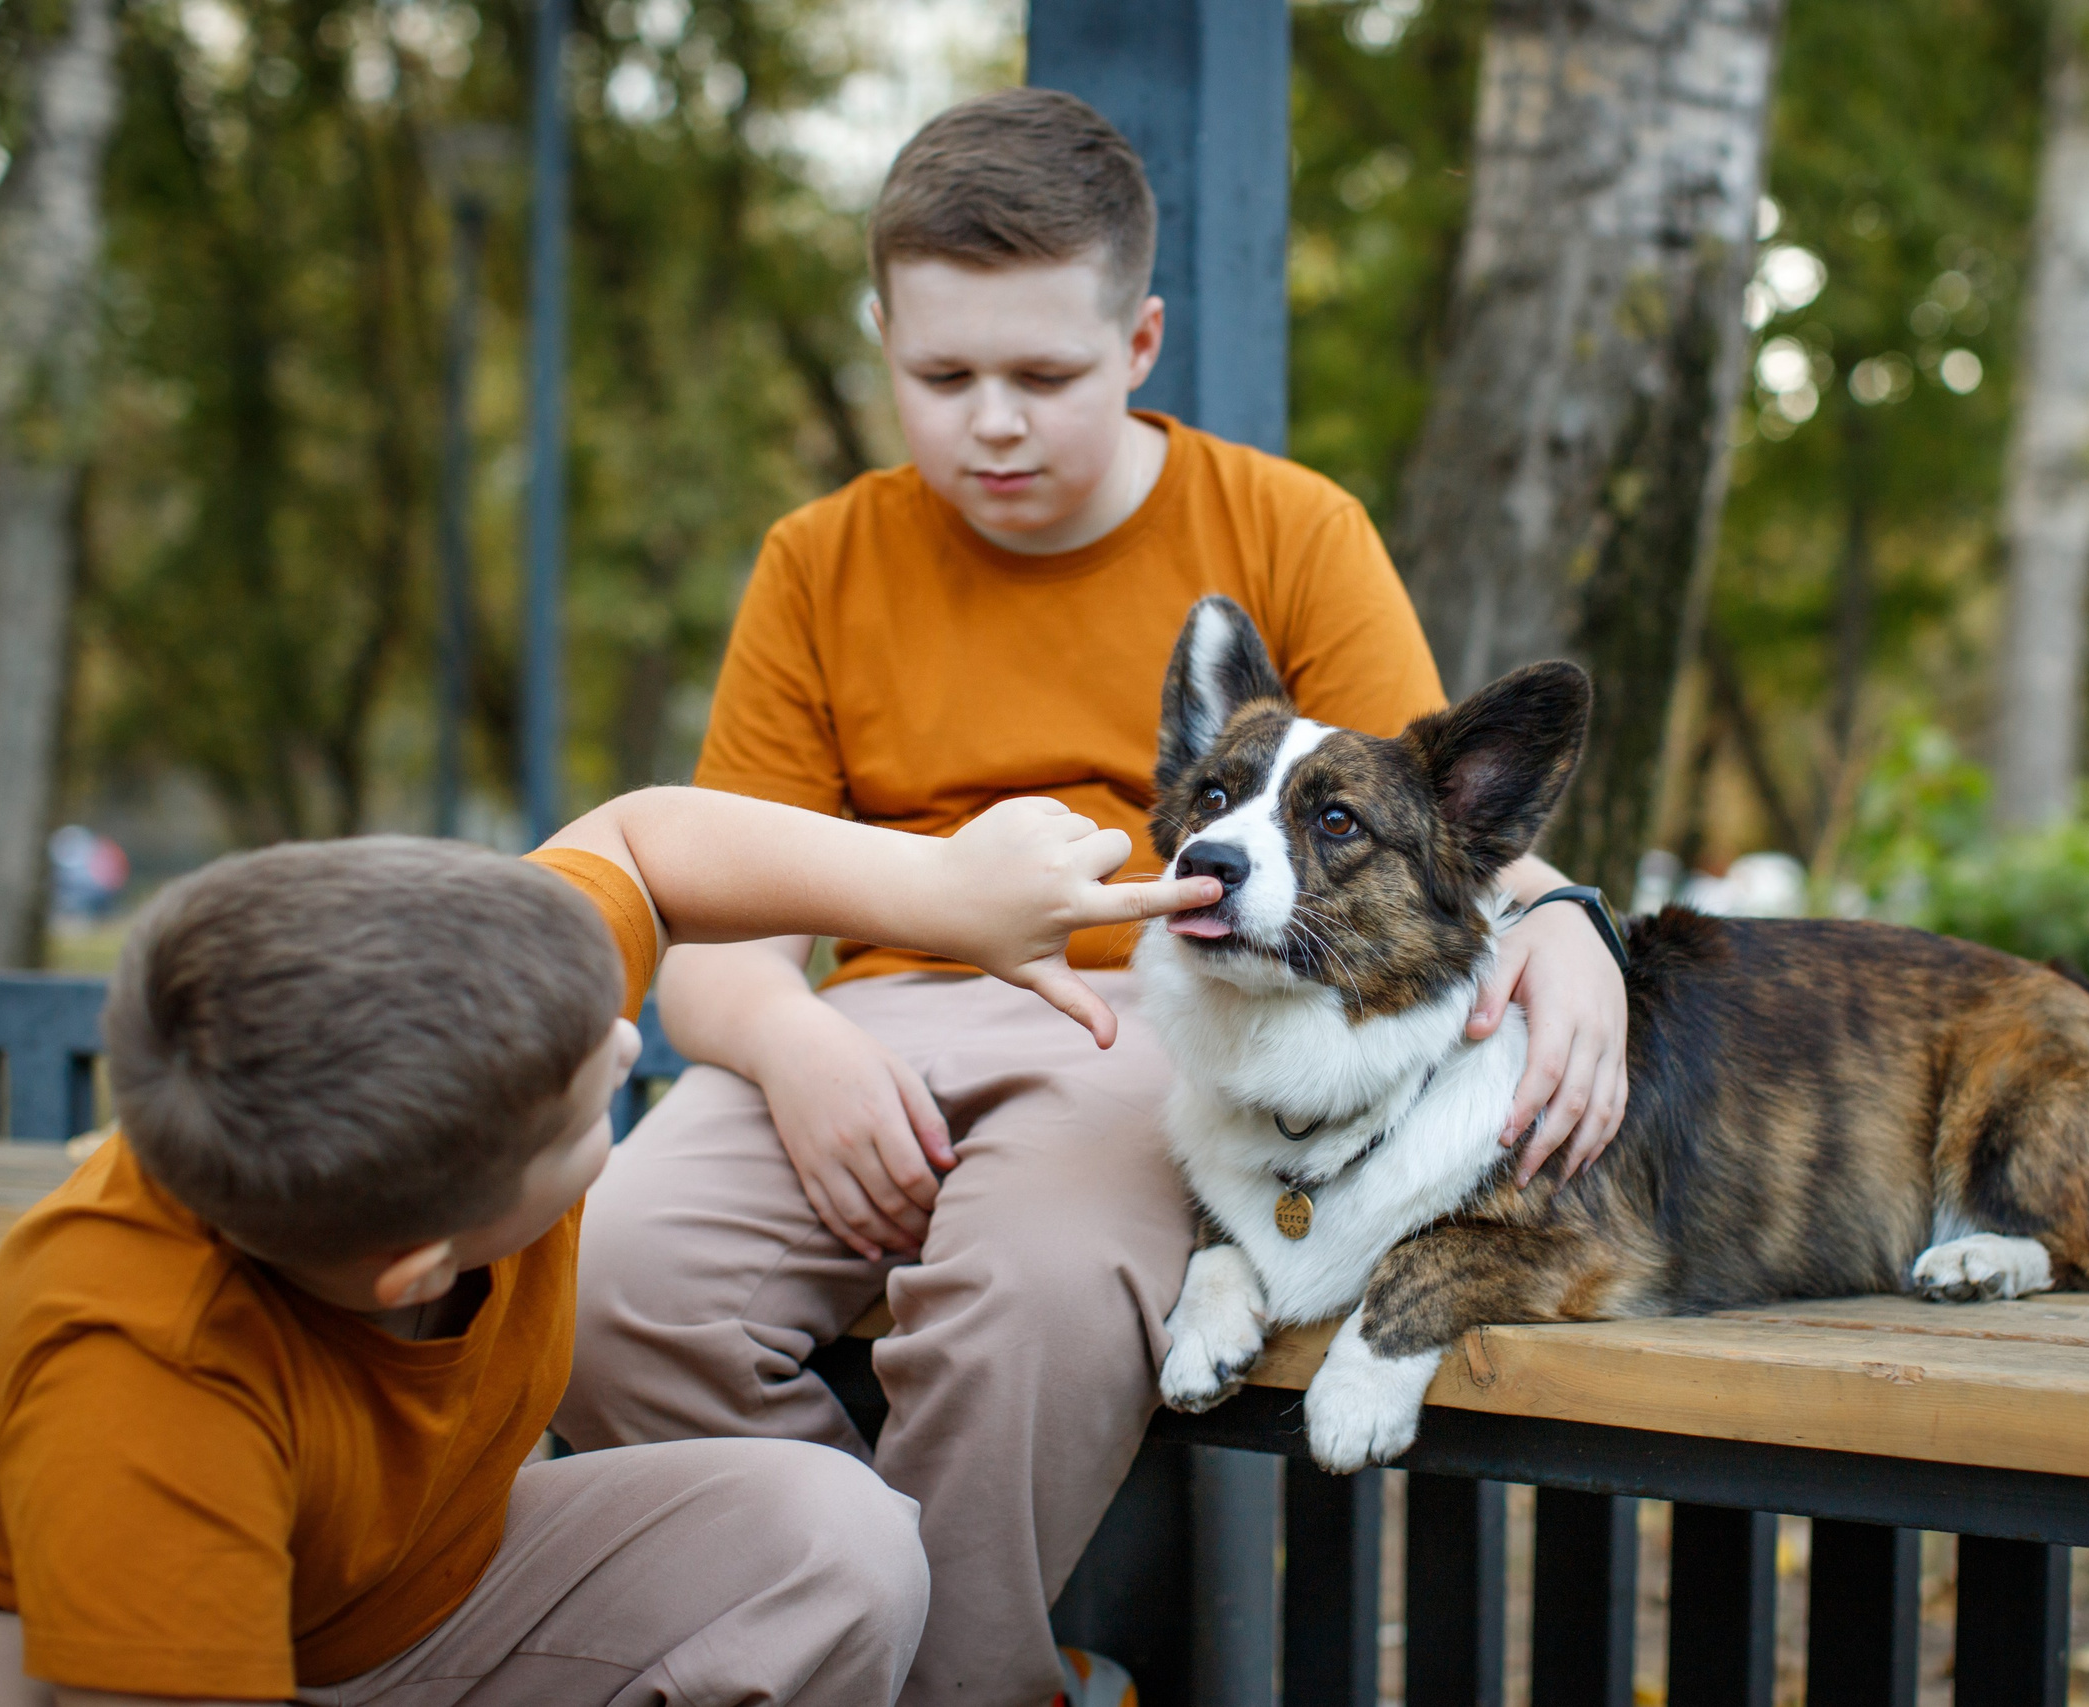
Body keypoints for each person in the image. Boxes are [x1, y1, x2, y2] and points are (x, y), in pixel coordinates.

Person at [556, 87, 1631, 1707]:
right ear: (883, 339)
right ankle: (873, 1628)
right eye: (941, 376)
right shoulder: (818, 563)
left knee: (1034, 1302)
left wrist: (1572, 927)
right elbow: (711, 943)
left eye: (1043, 377)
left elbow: (1423, 831)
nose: (992, 421)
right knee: (610, 1280)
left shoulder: (1286, 527)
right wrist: (793, 1046)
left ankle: (954, 1683)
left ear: (1138, 343)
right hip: (863, 1023)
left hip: (1160, 1012)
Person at [0, 786, 1215, 1707]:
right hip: (124, 1641)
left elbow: (637, 844)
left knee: (837, 1545)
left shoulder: (459, 1015)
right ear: (418, 1269)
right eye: (581, 1108)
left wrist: (939, 891)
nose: (621, 1051)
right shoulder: (141, 1383)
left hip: (402, 1596)